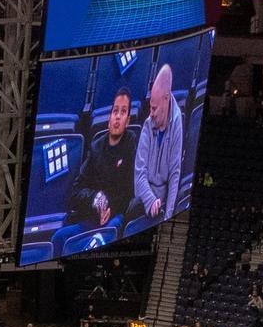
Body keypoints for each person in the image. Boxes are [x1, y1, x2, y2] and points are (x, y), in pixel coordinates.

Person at [67, 88, 138, 229]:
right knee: (60, 236)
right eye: (115, 111)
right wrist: (96, 198)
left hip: (117, 214)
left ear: (128, 121)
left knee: (113, 227)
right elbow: (76, 191)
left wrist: (110, 207)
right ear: (109, 119)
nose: (118, 116)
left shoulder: (131, 142)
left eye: (123, 112)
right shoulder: (96, 147)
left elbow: (130, 190)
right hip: (93, 215)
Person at [131, 64, 189, 227]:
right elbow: (139, 175)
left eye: (154, 108)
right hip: (142, 199)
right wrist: (150, 200)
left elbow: (174, 174)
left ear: (166, 99)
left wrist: (168, 217)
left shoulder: (177, 123)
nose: (151, 113)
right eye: (150, 107)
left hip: (163, 203)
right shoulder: (147, 126)